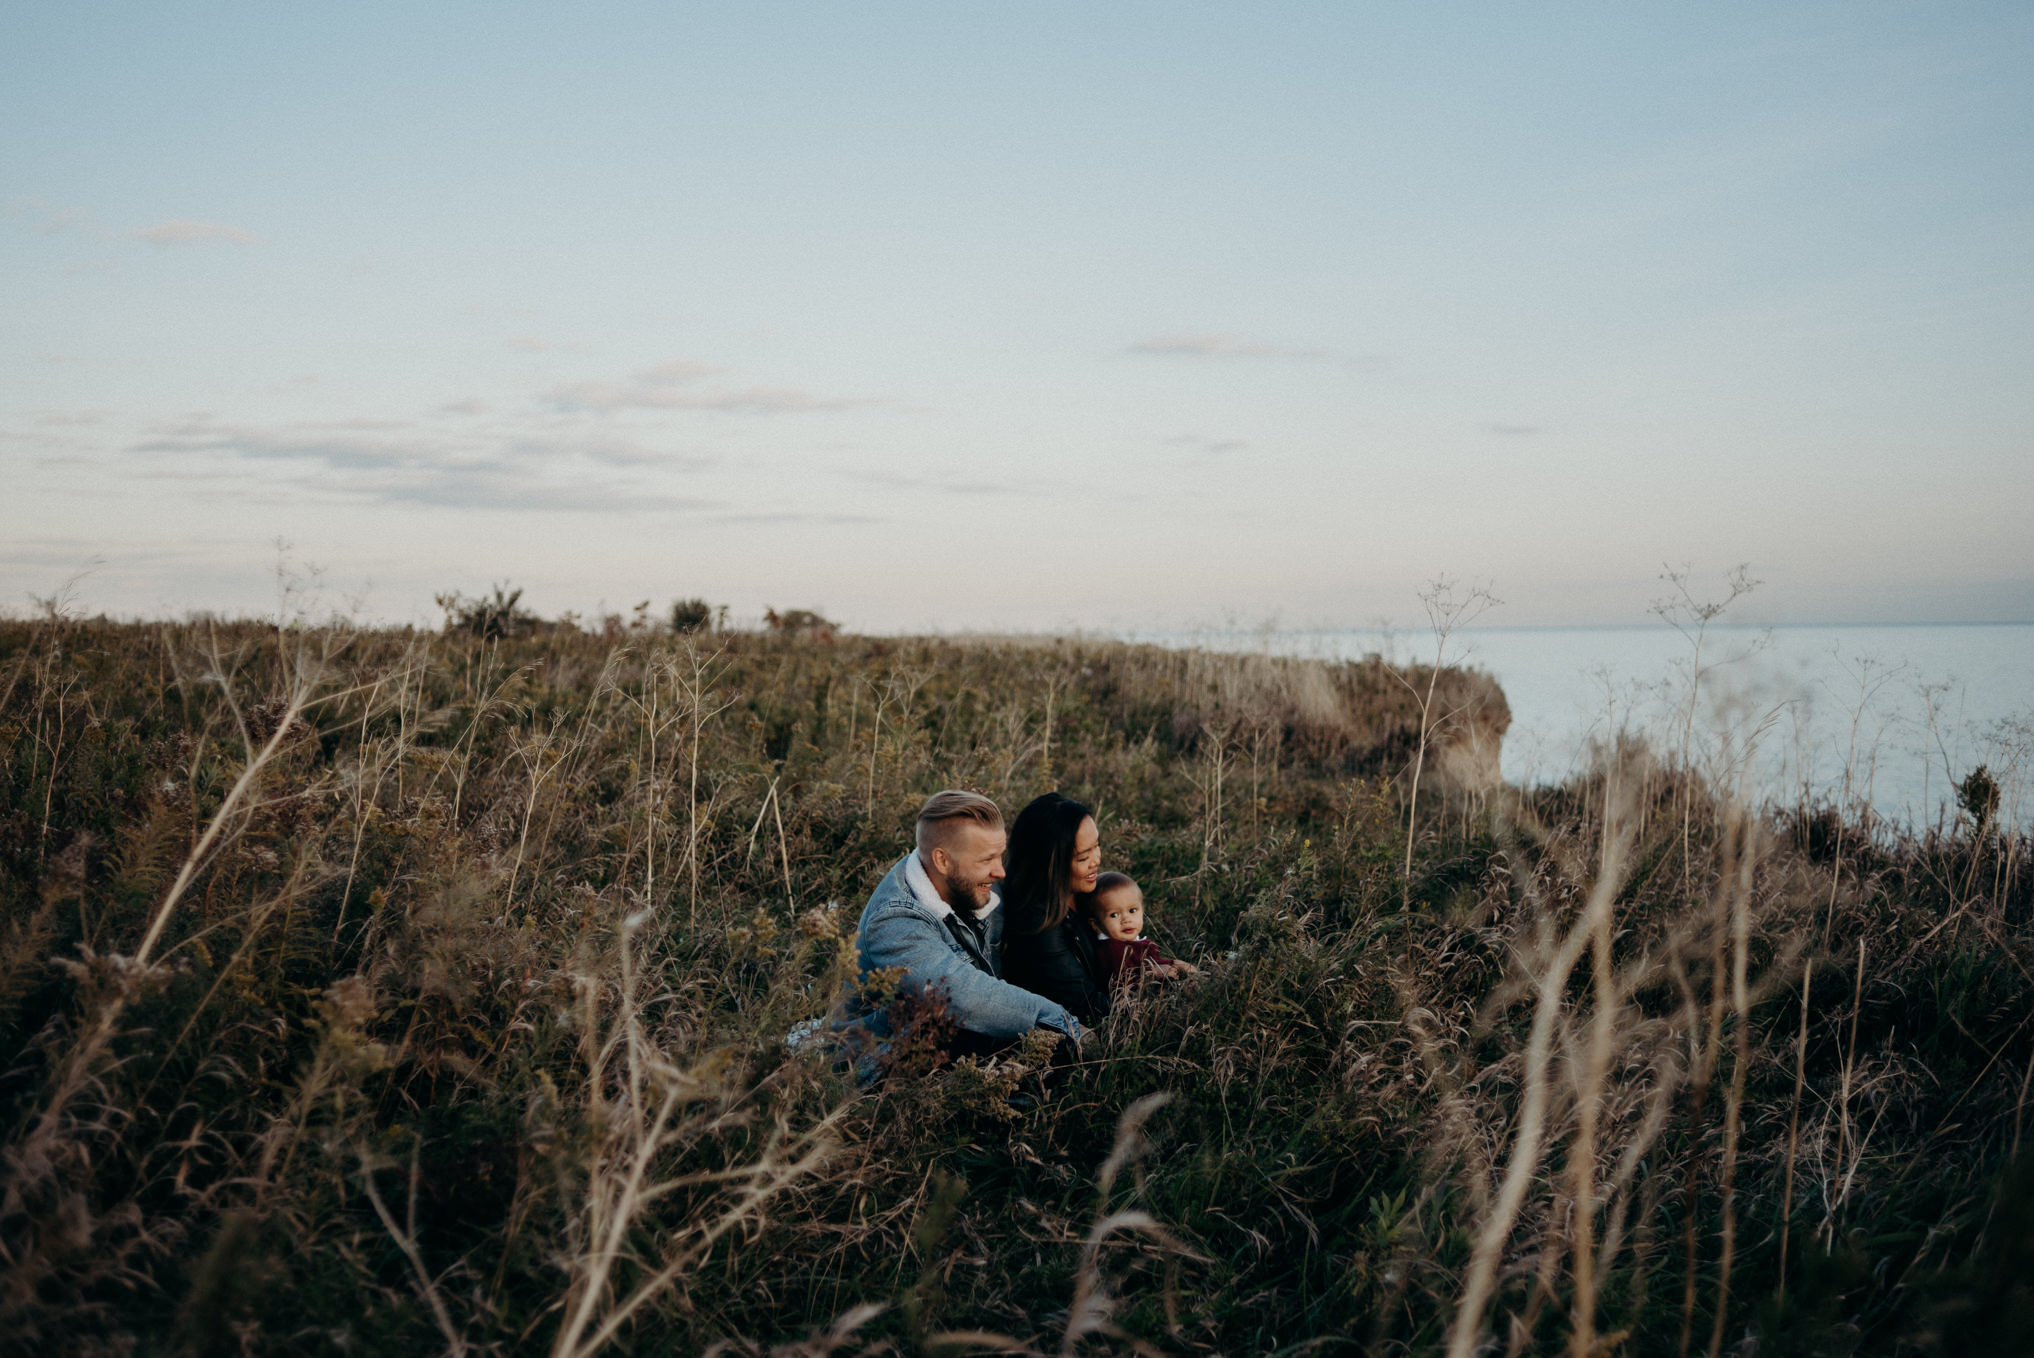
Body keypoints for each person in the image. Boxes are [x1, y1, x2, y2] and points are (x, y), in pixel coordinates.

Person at [838, 790, 1081, 1071]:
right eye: (986, 860)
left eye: (1000, 856)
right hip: (879, 1066)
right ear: (942, 860)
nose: (1000, 871)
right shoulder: (894, 921)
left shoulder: (963, 882)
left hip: (958, 1044)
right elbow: (962, 996)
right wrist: (1067, 1025)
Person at [1001, 792, 1112, 1025]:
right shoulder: (1039, 925)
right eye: (1082, 857)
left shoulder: (1084, 893)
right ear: (1049, 863)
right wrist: (1153, 993)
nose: (1096, 860)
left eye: (1097, 846)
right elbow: (1091, 1008)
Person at [1082, 871, 1198, 988]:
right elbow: (1121, 983)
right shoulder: (1111, 950)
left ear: (1142, 911)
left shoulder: (1135, 942)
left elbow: (1150, 961)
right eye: (1114, 915)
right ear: (1096, 924)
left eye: (1132, 911)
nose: (1126, 919)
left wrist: (1172, 963)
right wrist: (1152, 974)